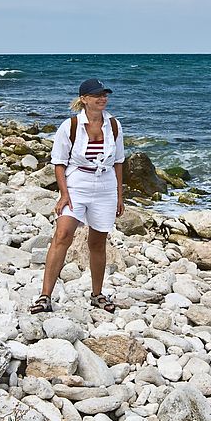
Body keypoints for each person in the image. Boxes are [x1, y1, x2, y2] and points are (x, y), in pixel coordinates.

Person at [30, 78, 126, 314]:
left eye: (104, 94)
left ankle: (97, 294)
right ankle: (45, 296)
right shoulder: (70, 126)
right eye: (96, 95)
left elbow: (119, 161)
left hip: (105, 186)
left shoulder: (114, 125)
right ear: (84, 99)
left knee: (97, 242)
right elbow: (59, 163)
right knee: (62, 234)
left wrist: (119, 194)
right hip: (77, 183)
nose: (102, 98)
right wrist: (63, 194)